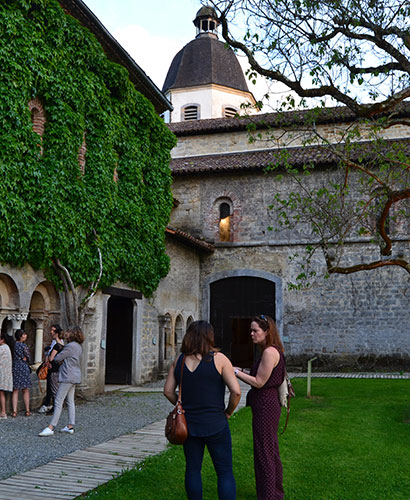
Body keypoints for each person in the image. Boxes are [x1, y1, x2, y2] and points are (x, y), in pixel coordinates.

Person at [164, 320, 241, 500]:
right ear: (209, 337)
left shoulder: (180, 360)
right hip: (216, 423)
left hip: (189, 425)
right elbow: (236, 391)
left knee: (192, 469)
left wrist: (181, 406)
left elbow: (167, 391)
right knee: (224, 472)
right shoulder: (220, 359)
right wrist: (228, 412)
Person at [233, 315, 286, 500]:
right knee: (270, 449)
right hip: (267, 403)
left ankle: (268, 495)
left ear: (266, 332)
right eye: (251, 330)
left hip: (265, 404)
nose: (251, 334)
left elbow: (259, 382)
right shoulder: (271, 350)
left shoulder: (269, 352)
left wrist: (235, 372)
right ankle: (275, 493)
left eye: (255, 330)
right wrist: (243, 370)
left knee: (264, 451)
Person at [39, 326, 84, 437]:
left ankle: (51, 427)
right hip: (74, 376)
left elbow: (57, 358)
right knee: (70, 401)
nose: (66, 333)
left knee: (58, 401)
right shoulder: (78, 346)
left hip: (67, 376)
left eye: (68, 332)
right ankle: (70, 425)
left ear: (72, 334)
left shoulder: (70, 346)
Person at [38, 324, 63, 414]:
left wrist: (47, 354)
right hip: (57, 369)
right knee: (54, 388)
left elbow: (51, 358)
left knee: (54, 389)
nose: (51, 332)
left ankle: (55, 408)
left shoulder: (57, 345)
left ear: (56, 333)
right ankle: (52, 406)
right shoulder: (61, 344)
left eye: (53, 330)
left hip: (54, 369)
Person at [11, 329, 32, 417]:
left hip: (15, 367)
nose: (26, 335)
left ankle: (14, 411)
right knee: (25, 389)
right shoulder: (24, 346)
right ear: (21, 336)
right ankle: (27, 410)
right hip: (23, 367)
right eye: (24, 334)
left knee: (15, 390)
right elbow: (29, 357)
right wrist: (26, 359)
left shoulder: (13, 345)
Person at [0, 332, 14, 419]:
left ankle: (3, 412)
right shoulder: (7, 348)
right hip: (6, 374)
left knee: (1, 393)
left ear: (3, 339)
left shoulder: (1, 348)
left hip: (2, 374)